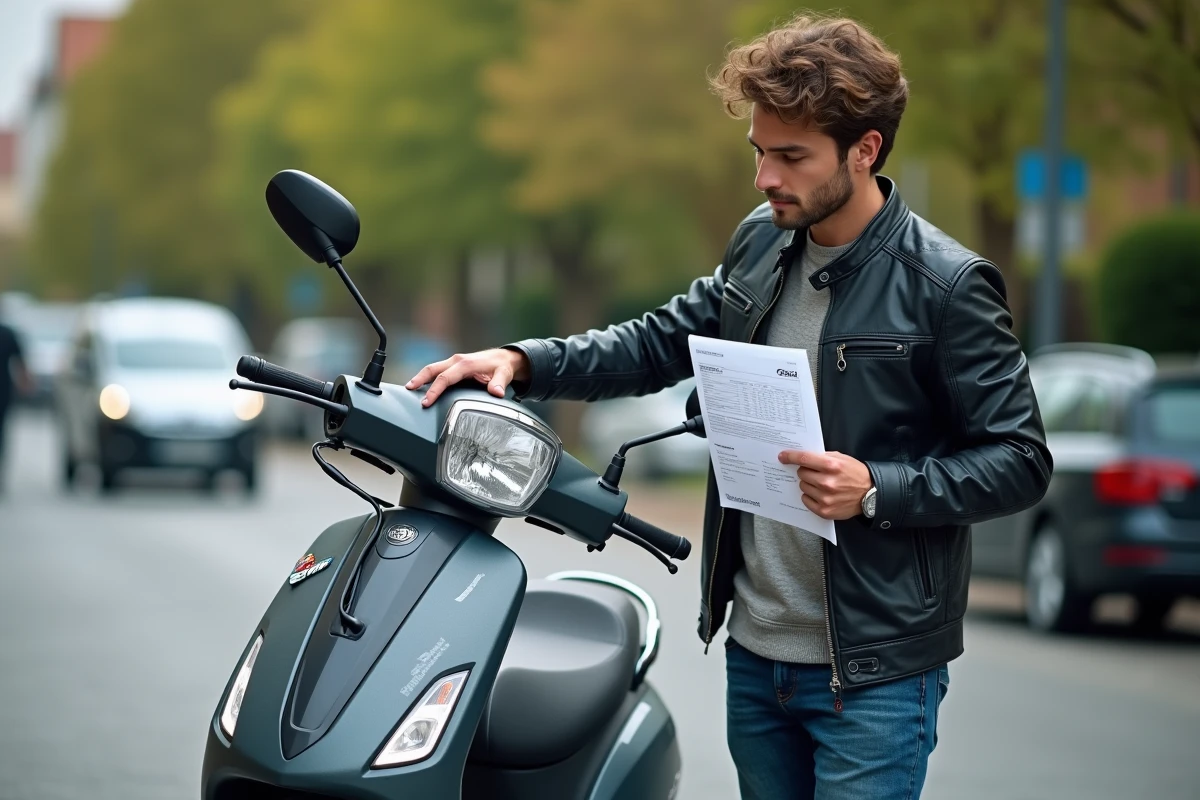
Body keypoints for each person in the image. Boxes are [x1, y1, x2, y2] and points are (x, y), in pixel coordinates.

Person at [407, 14, 1051, 800]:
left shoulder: (947, 287)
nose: (765, 178)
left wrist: (878, 488)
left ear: (866, 150)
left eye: (790, 157)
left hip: (874, 677)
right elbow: (656, 342)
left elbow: (1020, 461)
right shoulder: (761, 241)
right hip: (755, 655)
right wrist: (521, 361)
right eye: (759, 152)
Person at [0, 315, 31, 492]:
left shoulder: (8, 333)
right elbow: (22, 365)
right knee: (2, 433)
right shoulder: (8, 333)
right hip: (3, 390)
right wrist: (26, 384)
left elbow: (21, 363)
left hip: (3, 391)